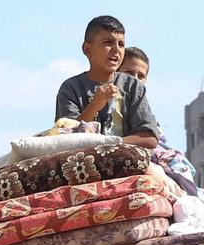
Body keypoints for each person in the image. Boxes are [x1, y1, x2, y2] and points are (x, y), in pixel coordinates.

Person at [55, 16, 159, 149]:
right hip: (83, 164)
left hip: (127, 164)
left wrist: (109, 145)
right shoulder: (71, 88)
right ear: (87, 49)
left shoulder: (132, 86)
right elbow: (66, 139)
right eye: (108, 42)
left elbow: (149, 138)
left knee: (156, 171)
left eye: (121, 44)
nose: (116, 49)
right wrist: (95, 105)